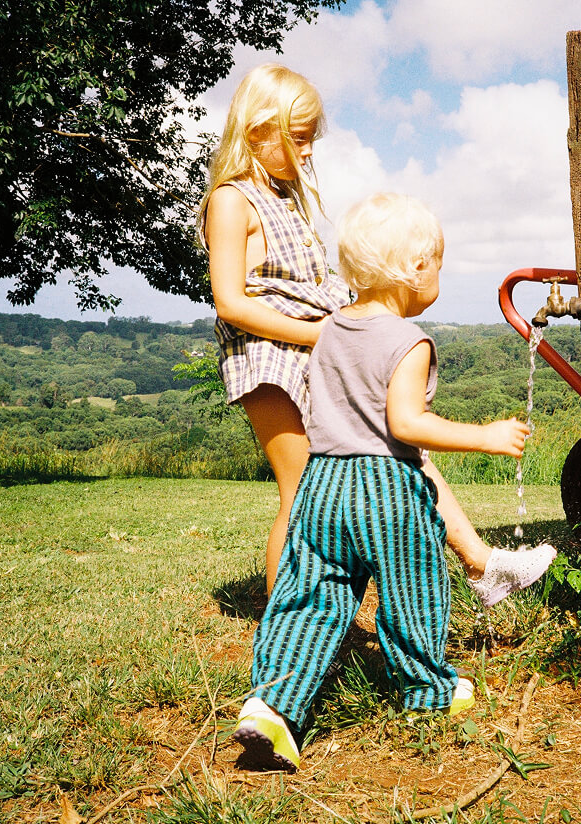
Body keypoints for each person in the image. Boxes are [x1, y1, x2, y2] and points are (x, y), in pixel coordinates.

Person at [199, 63, 554, 604]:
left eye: (312, 140)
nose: (310, 152)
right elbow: (230, 302)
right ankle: (286, 626)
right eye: (299, 140)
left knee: (398, 446)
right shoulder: (232, 198)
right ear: (257, 132)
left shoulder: (288, 197)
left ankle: (482, 563)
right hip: (269, 355)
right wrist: (323, 334)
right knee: (302, 493)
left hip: (318, 344)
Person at [231, 193, 549, 772]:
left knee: (309, 598)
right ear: (416, 268)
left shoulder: (327, 332)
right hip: (385, 485)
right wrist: (484, 435)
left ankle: (272, 703)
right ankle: (427, 691)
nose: (440, 276)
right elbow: (406, 424)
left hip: (322, 482)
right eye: (439, 264)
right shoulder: (410, 339)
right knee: (413, 590)